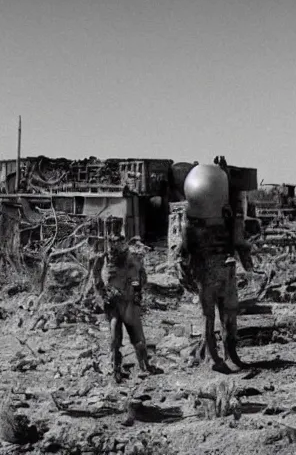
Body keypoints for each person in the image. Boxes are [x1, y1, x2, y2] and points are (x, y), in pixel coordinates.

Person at [175, 157, 254, 372]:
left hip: (208, 272)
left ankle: (220, 357)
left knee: (210, 317)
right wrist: (248, 260)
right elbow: (240, 243)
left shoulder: (189, 223)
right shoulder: (228, 218)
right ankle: (224, 356)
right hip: (222, 271)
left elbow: (183, 252)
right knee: (225, 316)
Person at [90, 234, 159, 383]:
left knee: (138, 337)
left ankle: (144, 366)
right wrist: (103, 293)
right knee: (115, 339)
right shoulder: (105, 259)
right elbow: (96, 277)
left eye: (118, 244)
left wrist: (136, 293)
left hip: (129, 303)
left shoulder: (132, 259)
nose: (115, 248)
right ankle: (116, 369)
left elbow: (138, 278)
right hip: (114, 304)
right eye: (113, 244)